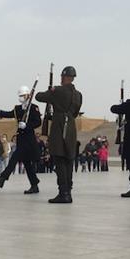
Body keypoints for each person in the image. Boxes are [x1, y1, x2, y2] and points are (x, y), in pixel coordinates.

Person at [35, 66, 82, 204]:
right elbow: (74, 112)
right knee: (69, 159)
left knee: (60, 159)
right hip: (71, 127)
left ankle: (63, 193)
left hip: (59, 126)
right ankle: (68, 191)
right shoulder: (78, 94)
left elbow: (39, 97)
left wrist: (51, 90)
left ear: (64, 77)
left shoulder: (58, 90)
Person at [0, 85, 42, 193]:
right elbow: (9, 114)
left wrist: (27, 125)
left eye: (22, 95)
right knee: (27, 165)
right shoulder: (18, 109)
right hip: (21, 139)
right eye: (19, 95)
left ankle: (2, 179)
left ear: (28, 96)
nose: (20, 97)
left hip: (29, 141)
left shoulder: (34, 108)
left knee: (14, 158)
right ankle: (34, 185)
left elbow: (38, 122)